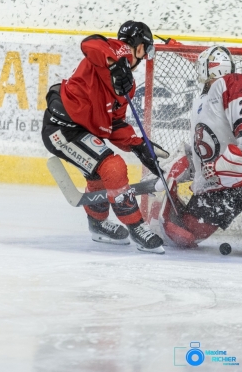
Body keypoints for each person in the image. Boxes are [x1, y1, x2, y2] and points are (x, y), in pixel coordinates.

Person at [41, 21, 168, 253]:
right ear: (139, 47)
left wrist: (138, 145)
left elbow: (114, 124)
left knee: (99, 175)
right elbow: (90, 43)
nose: (145, 57)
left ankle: (98, 224)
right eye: (147, 50)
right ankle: (137, 227)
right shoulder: (114, 51)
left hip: (81, 132)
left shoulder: (127, 85)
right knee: (113, 167)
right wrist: (117, 64)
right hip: (62, 131)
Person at [161, 46, 242, 248]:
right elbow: (209, 146)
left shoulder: (231, 83)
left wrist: (240, 155)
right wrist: (188, 166)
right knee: (183, 234)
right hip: (220, 186)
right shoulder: (201, 101)